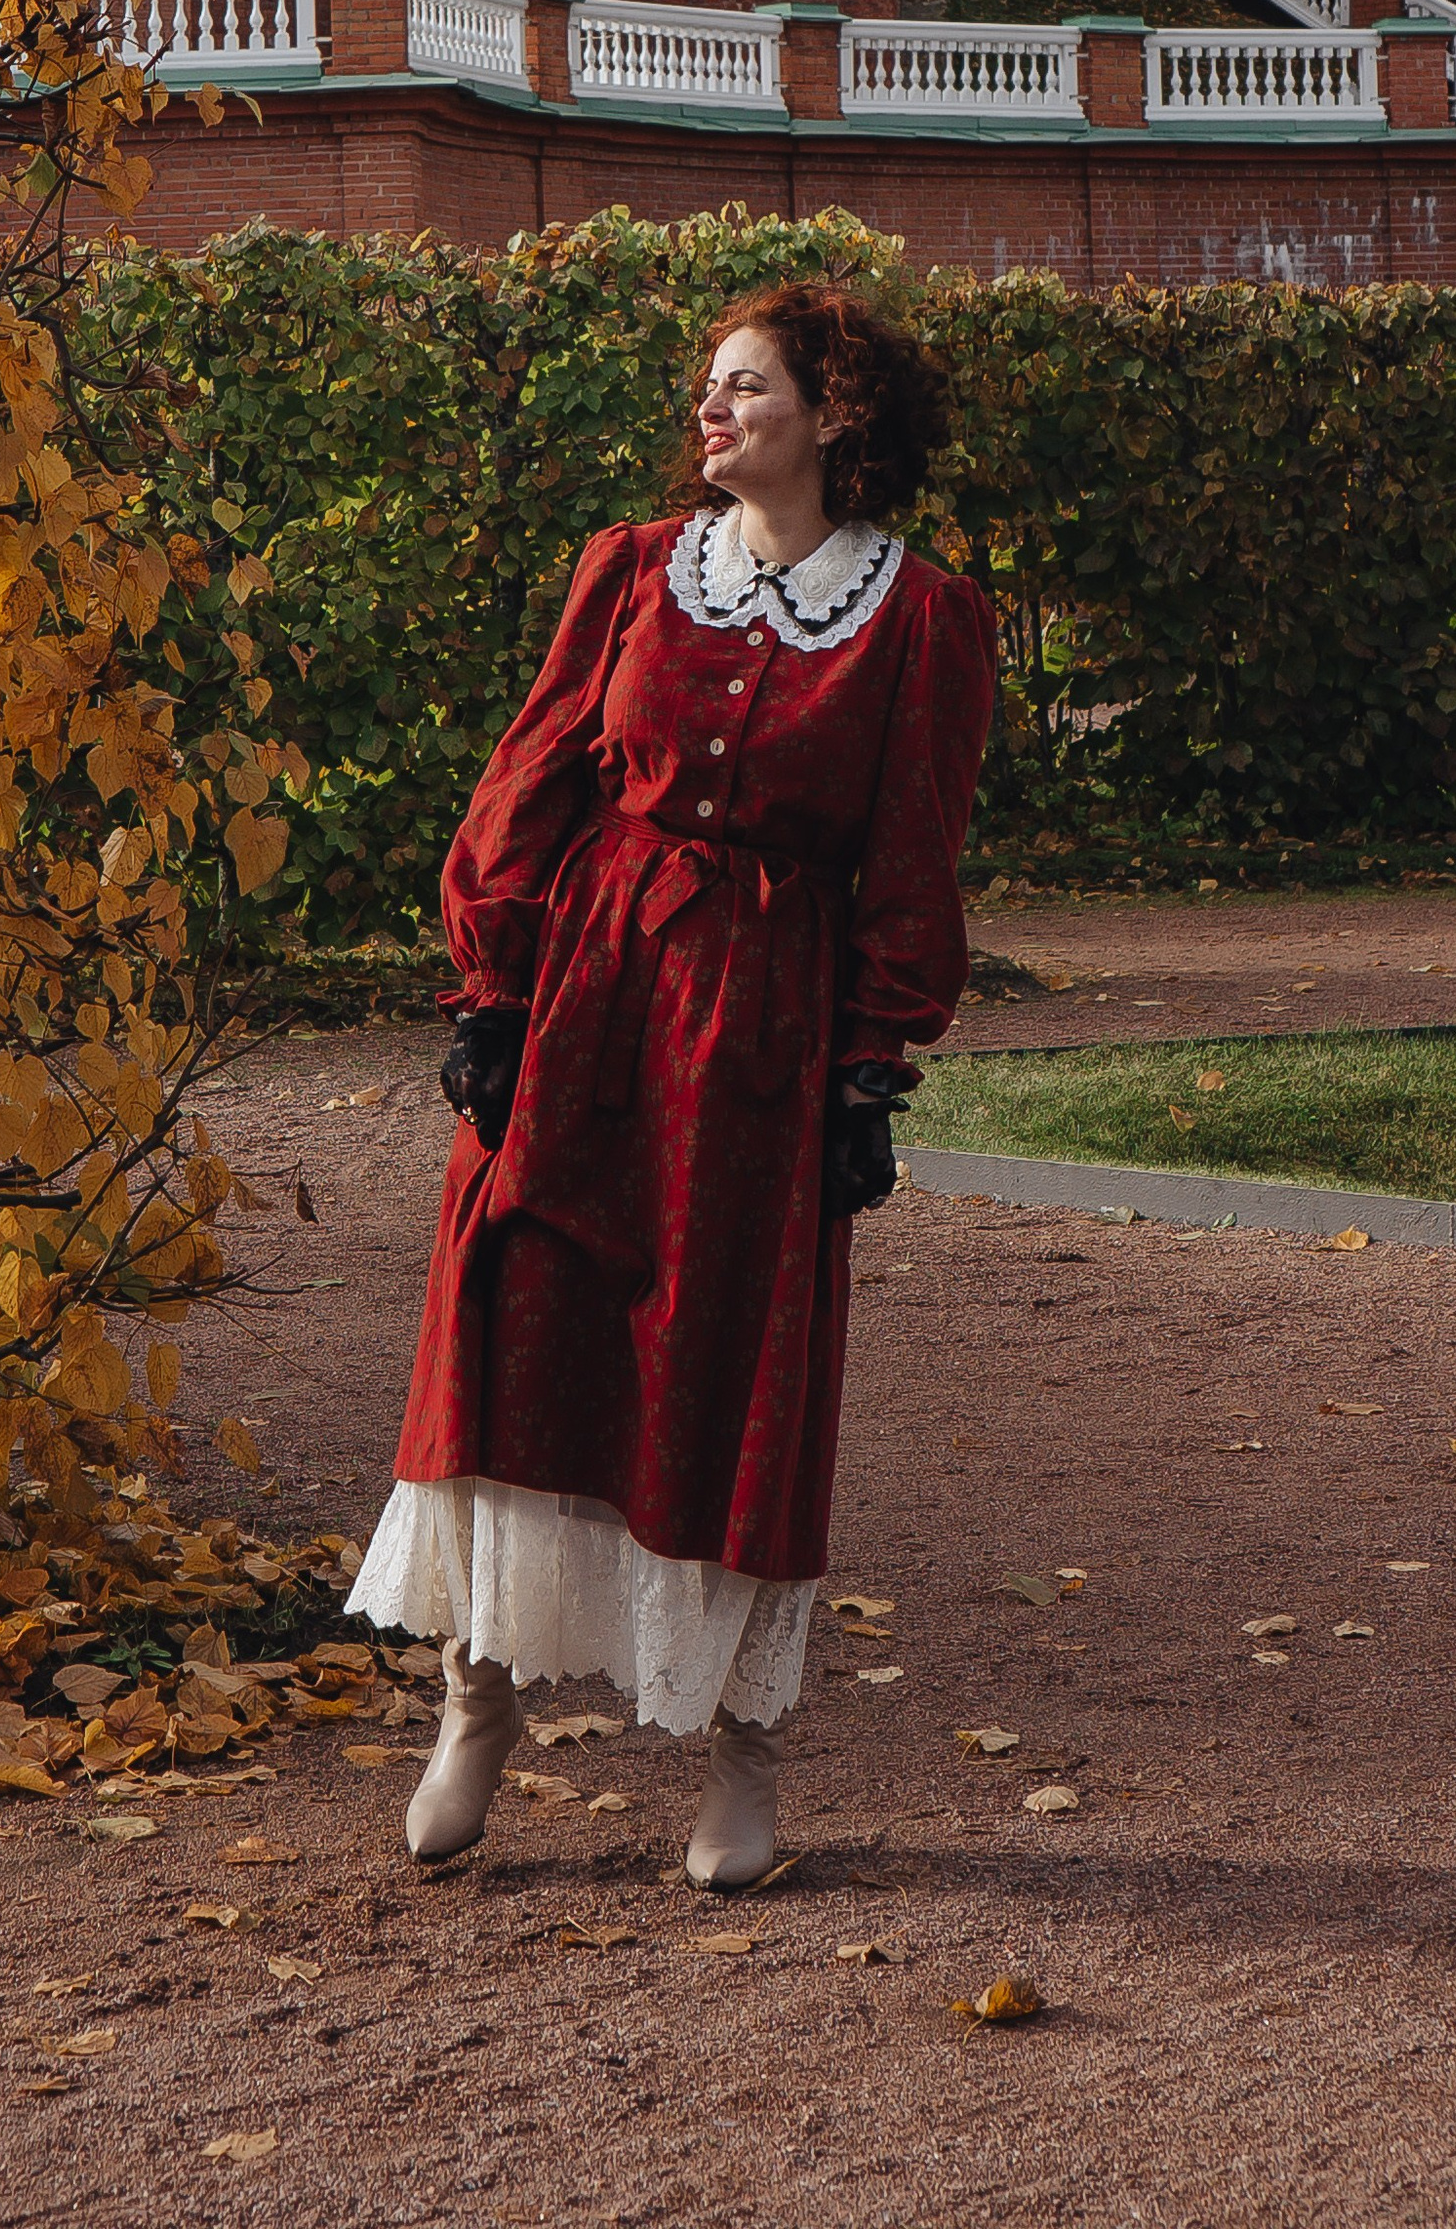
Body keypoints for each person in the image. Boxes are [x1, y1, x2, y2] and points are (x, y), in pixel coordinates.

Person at [345, 282, 998, 1888]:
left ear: (834, 415)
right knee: (515, 1318)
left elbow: (913, 848)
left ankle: (743, 1760)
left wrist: (870, 1067)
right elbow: (535, 770)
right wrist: (494, 990)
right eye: (709, 386)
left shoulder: (918, 617)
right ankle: (477, 1704)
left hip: (763, 1025)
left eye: (747, 387)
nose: (712, 410)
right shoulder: (635, 571)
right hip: (588, 991)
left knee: (731, 1369)